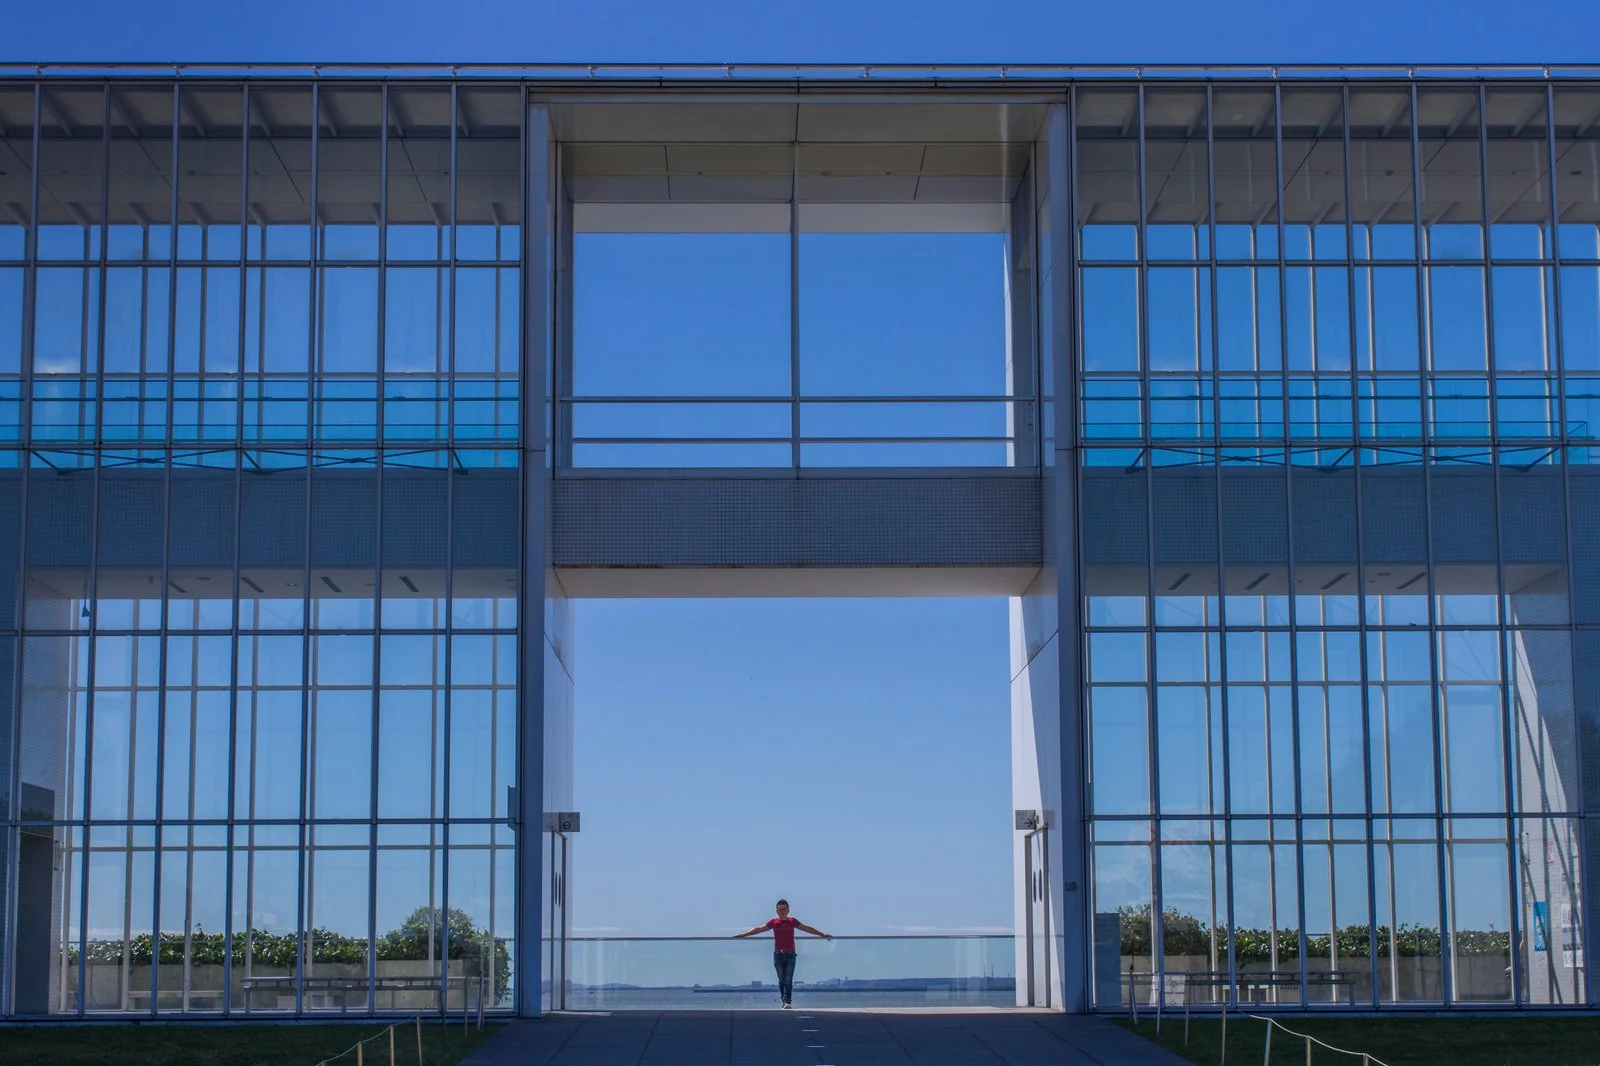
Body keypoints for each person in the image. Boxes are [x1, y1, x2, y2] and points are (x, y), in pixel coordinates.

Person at [732, 899, 831, 1008]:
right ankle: (784, 1001)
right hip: (778, 955)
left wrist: (822, 934)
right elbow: (759, 929)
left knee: (788, 979)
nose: (782, 911)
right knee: (781, 980)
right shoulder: (773, 922)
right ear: (777, 911)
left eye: (784, 909)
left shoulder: (792, 921)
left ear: (788, 910)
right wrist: (743, 935)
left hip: (791, 955)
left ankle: (787, 1001)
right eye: (780, 910)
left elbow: (806, 928)